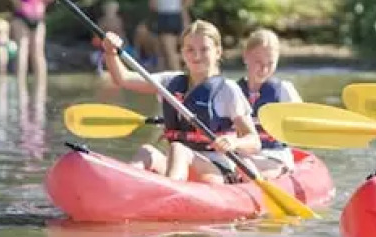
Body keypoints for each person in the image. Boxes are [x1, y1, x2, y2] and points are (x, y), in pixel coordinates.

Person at [101, 20, 293, 183]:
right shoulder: (170, 82)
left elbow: (254, 142)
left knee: (178, 149)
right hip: (181, 165)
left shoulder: (228, 90)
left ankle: (168, 195)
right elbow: (123, 78)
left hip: (217, 170)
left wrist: (233, 142)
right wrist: (111, 52)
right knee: (146, 151)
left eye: (204, 49)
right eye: (190, 49)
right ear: (182, 52)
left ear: (218, 52)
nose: (196, 55)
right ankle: (122, 187)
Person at [150, 0, 185, 71]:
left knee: (168, 52)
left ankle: (177, 76)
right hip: (177, 15)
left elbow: (153, 5)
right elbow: (182, 1)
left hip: (165, 17)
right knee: (173, 50)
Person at [9, 0, 48, 81]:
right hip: (22, 15)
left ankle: (41, 85)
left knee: (36, 51)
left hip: (37, 16)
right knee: (23, 49)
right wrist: (17, 2)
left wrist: (45, 2)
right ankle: (20, 83)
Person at [93, 0, 126, 72]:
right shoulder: (102, 21)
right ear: (105, 11)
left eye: (112, 9)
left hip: (116, 43)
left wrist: (123, 42)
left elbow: (121, 33)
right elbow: (97, 34)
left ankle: (119, 67)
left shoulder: (118, 21)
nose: (110, 11)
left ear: (116, 10)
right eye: (109, 9)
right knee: (98, 54)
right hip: (104, 43)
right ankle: (101, 65)